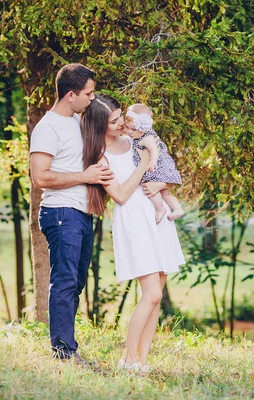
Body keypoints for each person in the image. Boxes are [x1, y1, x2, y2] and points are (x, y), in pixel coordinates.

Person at [81, 94, 186, 373]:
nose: (120, 124)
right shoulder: (99, 156)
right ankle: (127, 358)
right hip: (134, 221)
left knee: (158, 293)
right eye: (114, 121)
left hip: (157, 215)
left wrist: (159, 184)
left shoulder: (136, 140)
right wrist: (142, 165)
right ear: (99, 124)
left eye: (120, 117)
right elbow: (120, 195)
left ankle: (141, 360)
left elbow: (162, 172)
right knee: (150, 294)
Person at [30, 63, 114, 365]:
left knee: (75, 282)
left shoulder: (78, 122)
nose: (92, 98)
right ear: (70, 95)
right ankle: (64, 352)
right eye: (88, 93)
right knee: (65, 281)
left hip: (80, 213)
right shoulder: (48, 128)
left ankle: (67, 346)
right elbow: (41, 178)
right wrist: (86, 176)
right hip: (61, 212)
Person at [124, 103, 185, 224]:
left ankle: (160, 209)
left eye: (133, 129)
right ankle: (178, 209)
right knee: (165, 194)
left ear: (144, 128)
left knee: (150, 189)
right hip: (160, 166)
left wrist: (152, 161)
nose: (129, 132)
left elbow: (154, 149)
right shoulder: (139, 135)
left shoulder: (146, 138)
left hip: (157, 167)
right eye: (127, 127)